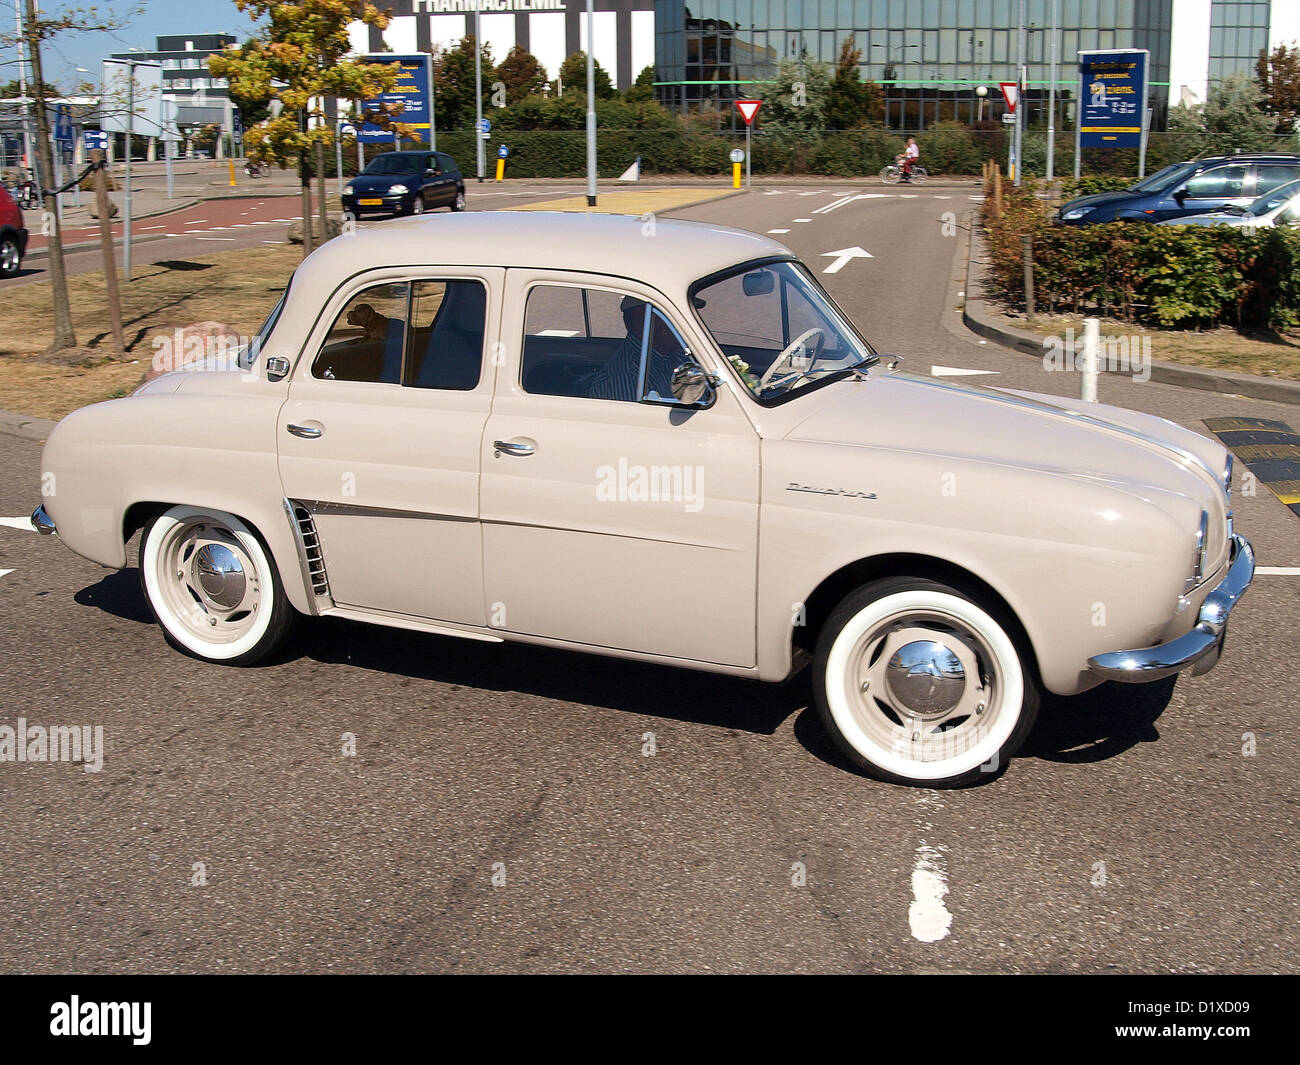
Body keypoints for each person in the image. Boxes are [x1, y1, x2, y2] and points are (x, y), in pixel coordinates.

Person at [585, 295, 678, 402]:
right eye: (672, 316)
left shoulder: (672, 355)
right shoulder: (624, 379)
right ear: (641, 319)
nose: (680, 324)